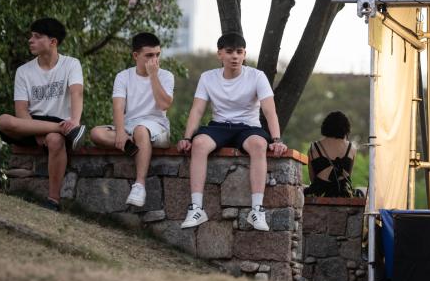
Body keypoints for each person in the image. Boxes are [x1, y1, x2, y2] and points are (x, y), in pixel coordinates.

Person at [177, 32, 287, 230]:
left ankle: (257, 210)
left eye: (239, 52)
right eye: (229, 52)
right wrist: (187, 137)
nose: (234, 56)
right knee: (199, 143)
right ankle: (196, 208)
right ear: (220, 54)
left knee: (259, 144)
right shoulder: (207, 78)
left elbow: (270, 110)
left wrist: (277, 140)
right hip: (219, 125)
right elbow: (197, 110)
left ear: (244, 54)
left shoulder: (256, 76)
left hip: (249, 127)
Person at [0, 18, 85, 210]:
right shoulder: (23, 71)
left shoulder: (71, 64)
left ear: (53, 42)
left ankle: (53, 201)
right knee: (3, 120)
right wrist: (37, 133)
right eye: (31, 36)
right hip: (30, 124)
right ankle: (66, 130)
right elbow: (21, 110)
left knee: (54, 140)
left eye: (37, 37)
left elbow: (77, 92)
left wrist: (75, 120)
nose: (31, 40)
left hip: (60, 120)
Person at [89, 32, 174, 207]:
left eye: (157, 55)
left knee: (141, 130)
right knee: (96, 133)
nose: (154, 60)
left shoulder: (166, 76)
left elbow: (164, 105)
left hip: (157, 127)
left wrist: (153, 76)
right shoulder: (123, 76)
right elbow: (118, 106)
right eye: (149, 55)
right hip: (130, 126)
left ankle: (139, 185)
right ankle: (135, 145)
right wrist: (120, 133)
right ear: (136, 56)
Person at [304, 111, 356, 197]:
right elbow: (348, 178)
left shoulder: (313, 147)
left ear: (326, 126)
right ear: (346, 128)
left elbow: (312, 179)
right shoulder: (351, 148)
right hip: (343, 194)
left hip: (319, 194)